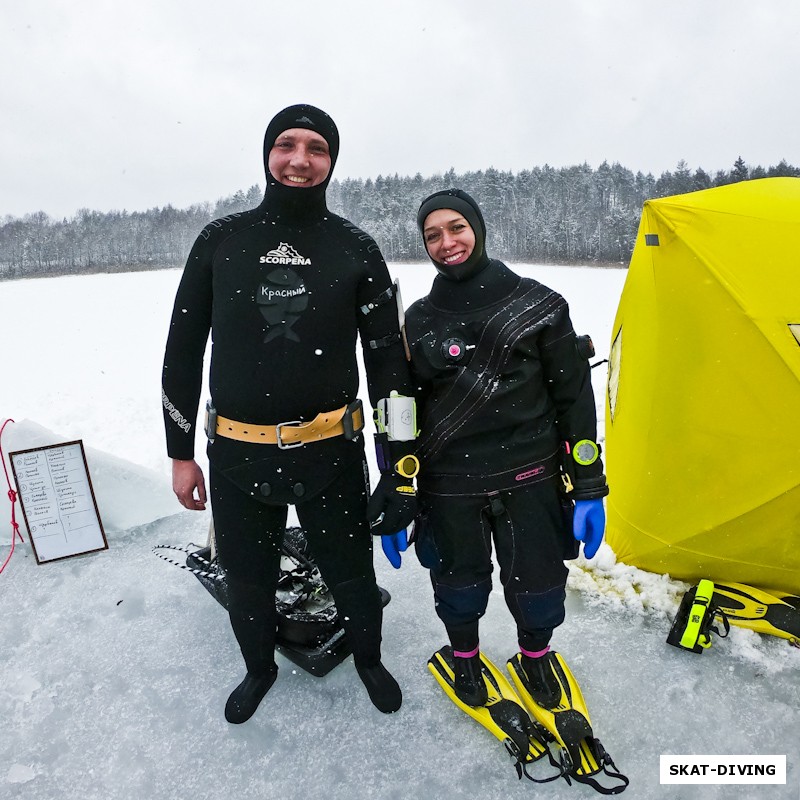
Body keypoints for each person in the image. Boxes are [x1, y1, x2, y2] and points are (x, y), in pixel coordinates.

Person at [161, 104, 418, 723]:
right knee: (247, 581)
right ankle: (259, 668)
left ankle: (368, 660)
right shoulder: (221, 240)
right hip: (235, 452)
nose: (300, 160)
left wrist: (402, 465)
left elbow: (390, 369)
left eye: (317, 148)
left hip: (332, 450)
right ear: (267, 154)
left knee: (352, 576)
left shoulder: (355, 247)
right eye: (286, 145)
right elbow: (183, 348)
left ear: (332, 161)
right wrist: (179, 453)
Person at [404, 188, 608, 708]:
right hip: (450, 484)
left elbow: (575, 402)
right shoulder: (419, 319)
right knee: (457, 586)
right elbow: (400, 407)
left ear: (478, 227)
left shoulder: (539, 304)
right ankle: (465, 658)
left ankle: (535, 658)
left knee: (538, 588)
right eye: (432, 235)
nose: (446, 242)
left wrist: (588, 484)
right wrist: (399, 484)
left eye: (456, 228)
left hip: (531, 478)